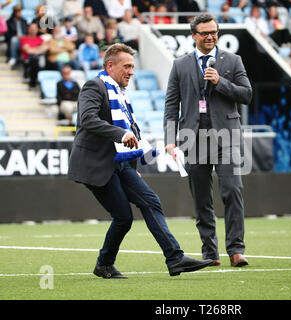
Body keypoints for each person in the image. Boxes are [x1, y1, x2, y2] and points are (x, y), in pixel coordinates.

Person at [68, 43, 213, 278]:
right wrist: (120, 134)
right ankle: (104, 264)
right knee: (124, 217)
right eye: (127, 66)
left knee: (151, 201)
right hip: (95, 164)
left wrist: (133, 166)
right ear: (110, 65)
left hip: (120, 164)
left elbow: (132, 133)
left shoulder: (120, 93)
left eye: (133, 66)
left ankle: (175, 258)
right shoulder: (94, 86)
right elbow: (87, 120)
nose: (131, 71)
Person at [164, 13, 252, 267]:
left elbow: (246, 94)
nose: (210, 36)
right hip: (194, 140)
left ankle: (236, 250)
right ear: (194, 35)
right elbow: (171, 105)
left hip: (228, 139)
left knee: (233, 191)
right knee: (202, 198)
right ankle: (210, 253)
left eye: (214, 31)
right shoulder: (179, 65)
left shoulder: (233, 61)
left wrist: (220, 82)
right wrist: (171, 138)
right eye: (204, 33)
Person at [20, 23, 48, 89]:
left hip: (39, 59)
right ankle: (32, 83)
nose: (33, 30)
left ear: (37, 30)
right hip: (28, 60)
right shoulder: (24, 39)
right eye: (31, 29)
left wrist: (33, 50)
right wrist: (39, 49)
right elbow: (28, 51)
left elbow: (45, 48)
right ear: (28, 29)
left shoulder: (40, 39)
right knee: (34, 60)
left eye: (34, 29)